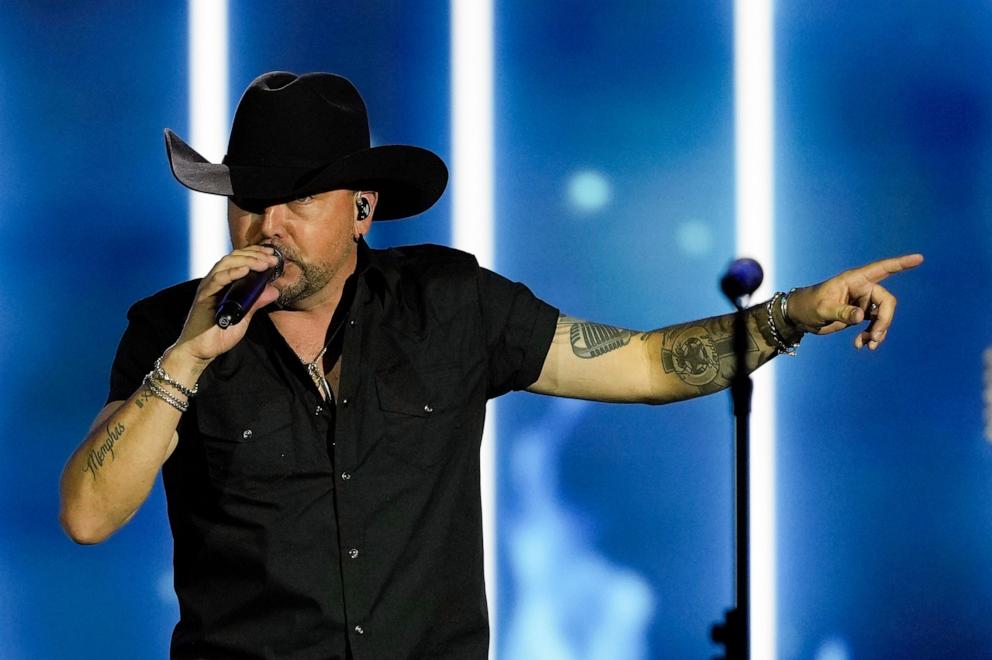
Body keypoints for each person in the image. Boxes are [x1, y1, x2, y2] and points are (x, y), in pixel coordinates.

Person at [59, 71, 922, 660]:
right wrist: (189, 356)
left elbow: (646, 365)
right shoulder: (168, 333)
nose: (265, 225)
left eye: (298, 199)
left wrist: (795, 314)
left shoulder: (450, 306)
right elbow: (89, 516)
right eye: (249, 200)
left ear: (362, 208)